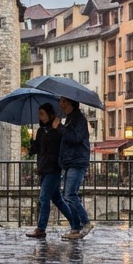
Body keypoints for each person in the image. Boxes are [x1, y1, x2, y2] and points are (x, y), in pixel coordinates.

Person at [25, 103, 73, 238]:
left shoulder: (56, 129)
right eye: (39, 114)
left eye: (42, 113)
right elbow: (36, 150)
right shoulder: (41, 131)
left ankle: (41, 228)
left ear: (49, 114)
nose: (39, 116)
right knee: (57, 199)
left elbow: (63, 143)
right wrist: (32, 144)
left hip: (54, 168)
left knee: (44, 197)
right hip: (43, 168)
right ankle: (76, 222)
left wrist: (57, 128)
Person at [57, 96, 92, 240]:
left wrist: (60, 127)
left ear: (71, 103)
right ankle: (75, 229)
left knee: (70, 195)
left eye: (63, 101)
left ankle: (86, 223)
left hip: (77, 161)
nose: (61, 104)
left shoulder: (79, 119)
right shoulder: (70, 119)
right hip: (70, 161)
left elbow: (75, 138)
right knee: (67, 195)